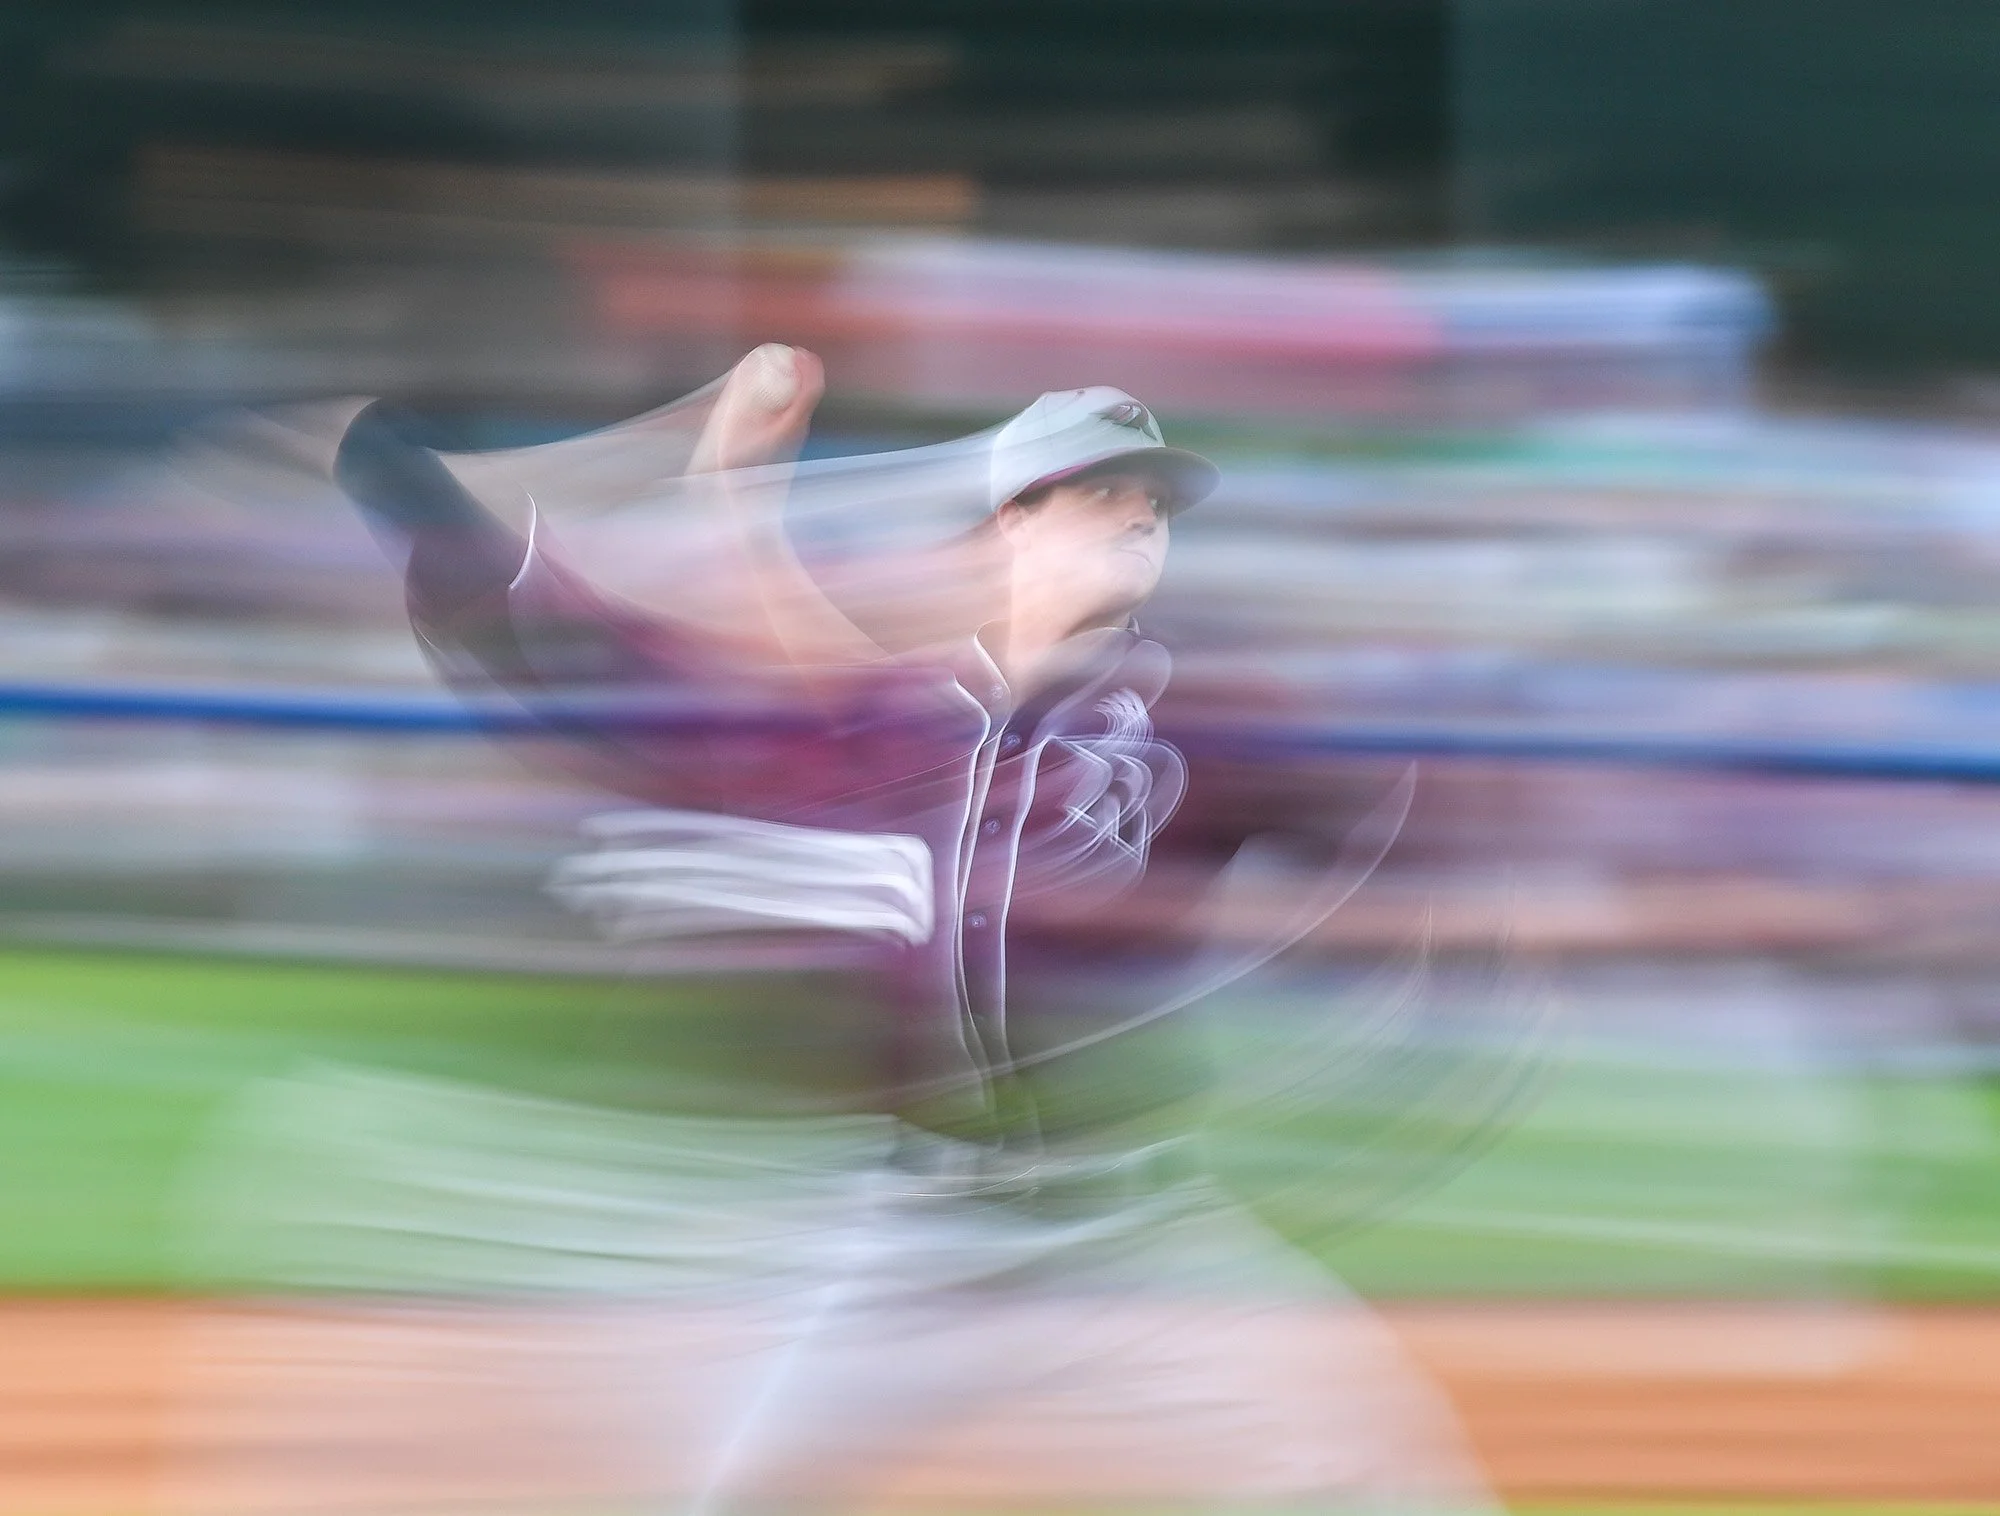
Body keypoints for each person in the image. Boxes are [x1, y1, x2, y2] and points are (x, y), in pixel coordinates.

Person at [187, 345, 1497, 1516]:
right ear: (1014, 522)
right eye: (1104, 494)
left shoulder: (1207, 721)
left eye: (1154, 506)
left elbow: (1388, 837)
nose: (1140, 523)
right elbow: (583, 657)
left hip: (1126, 1243)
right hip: (898, 1242)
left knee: (1383, 1488)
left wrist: (1439, 947)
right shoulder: (868, 725)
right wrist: (399, 483)